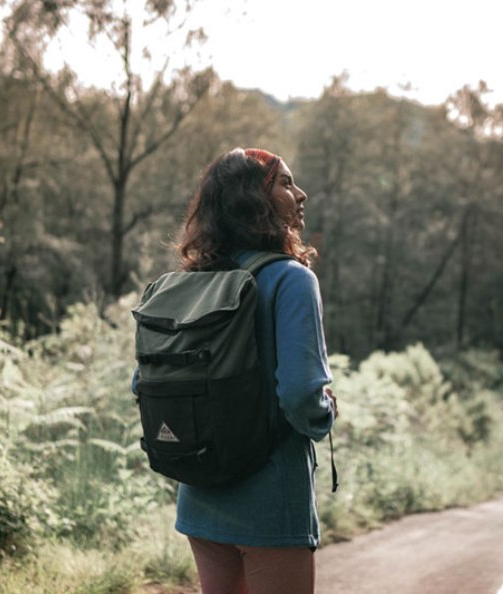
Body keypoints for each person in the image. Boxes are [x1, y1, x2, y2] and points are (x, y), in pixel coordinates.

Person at [172, 147, 338, 594]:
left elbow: (150, 381)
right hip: (270, 498)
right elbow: (303, 395)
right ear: (253, 201)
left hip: (200, 496)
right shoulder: (292, 279)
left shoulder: (190, 283)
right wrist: (325, 414)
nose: (300, 194)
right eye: (285, 184)